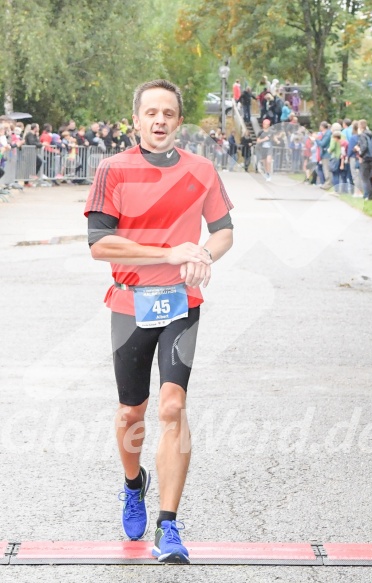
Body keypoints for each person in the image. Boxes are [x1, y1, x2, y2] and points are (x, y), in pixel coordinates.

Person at [84, 78, 234, 564]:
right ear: (137, 119)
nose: (160, 121)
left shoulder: (202, 171)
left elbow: (224, 231)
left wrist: (203, 257)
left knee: (172, 407)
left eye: (169, 113)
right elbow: (99, 244)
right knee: (133, 412)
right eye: (151, 112)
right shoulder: (113, 169)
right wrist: (168, 251)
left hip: (181, 301)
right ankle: (134, 484)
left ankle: (169, 526)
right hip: (130, 304)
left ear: (179, 120)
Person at [356, 119, 372, 200]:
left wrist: (360, 154)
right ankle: (371, 195)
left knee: (365, 177)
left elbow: (364, 146)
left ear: (360, 127)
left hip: (365, 158)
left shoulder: (362, 135)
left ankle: (368, 196)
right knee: (370, 177)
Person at [315, 121, 332, 190]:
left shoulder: (328, 134)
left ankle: (328, 184)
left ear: (322, 127)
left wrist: (316, 139)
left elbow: (322, 143)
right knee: (325, 169)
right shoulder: (326, 133)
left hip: (326, 154)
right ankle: (326, 183)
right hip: (324, 154)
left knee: (326, 169)